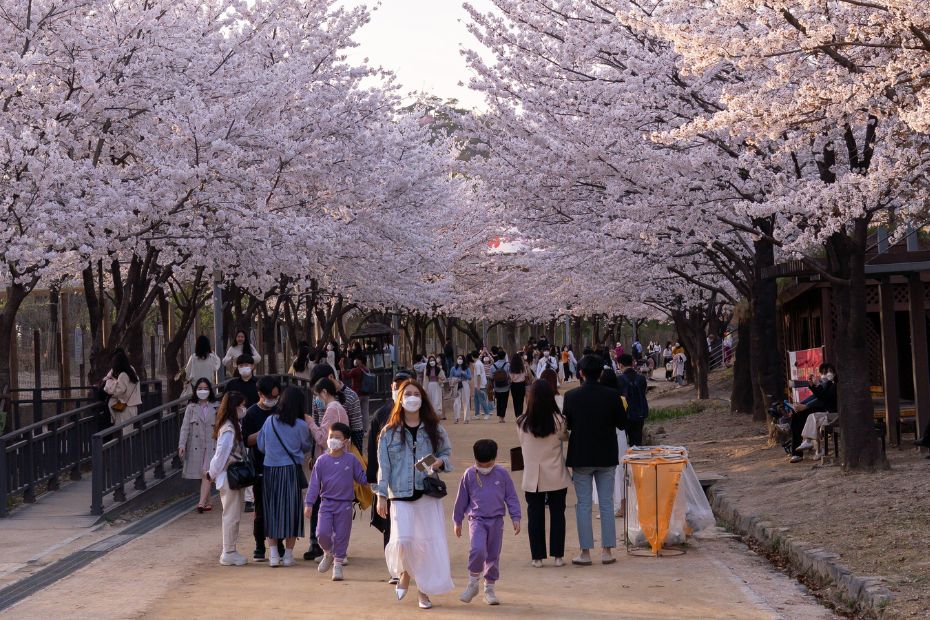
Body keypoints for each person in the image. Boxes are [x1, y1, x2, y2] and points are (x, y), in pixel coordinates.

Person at [374, 380, 454, 609]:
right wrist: (381, 495)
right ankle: (405, 573)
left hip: (426, 494)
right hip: (399, 494)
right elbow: (384, 466)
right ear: (399, 399)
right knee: (403, 540)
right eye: (406, 394)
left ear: (422, 398)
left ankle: (423, 591)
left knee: (425, 544)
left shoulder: (435, 428)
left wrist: (440, 462)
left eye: (415, 394)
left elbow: (447, 454)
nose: (411, 397)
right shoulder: (388, 433)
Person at [563, 355, 626, 566]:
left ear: (580, 372)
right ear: (600, 373)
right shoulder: (612, 396)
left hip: (581, 455)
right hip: (606, 454)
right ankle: (607, 551)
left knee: (583, 504)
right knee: (606, 503)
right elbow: (622, 423)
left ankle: (585, 552)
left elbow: (568, 424)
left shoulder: (571, 396)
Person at [453, 439, 521, 606]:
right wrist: (457, 520)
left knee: (492, 555)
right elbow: (461, 499)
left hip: (496, 520)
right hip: (477, 520)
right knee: (478, 549)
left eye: (487, 464)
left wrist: (516, 517)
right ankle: (472, 583)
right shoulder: (469, 474)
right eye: (480, 465)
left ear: (495, 459)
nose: (484, 468)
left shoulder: (502, 474)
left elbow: (511, 496)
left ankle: (489, 589)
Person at [516, 379, 571, 568]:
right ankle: (558, 556)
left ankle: (537, 557)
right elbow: (564, 437)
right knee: (558, 515)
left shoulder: (521, 422)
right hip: (556, 473)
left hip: (532, 476)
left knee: (535, 517)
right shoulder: (559, 420)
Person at [304, 422, 368, 582]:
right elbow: (314, 484)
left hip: (345, 505)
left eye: (338, 437)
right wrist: (309, 503)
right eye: (331, 436)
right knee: (322, 533)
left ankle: (338, 564)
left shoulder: (351, 459)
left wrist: (375, 479)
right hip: (326, 504)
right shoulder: (321, 461)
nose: (333, 440)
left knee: (341, 535)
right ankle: (328, 552)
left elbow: (361, 478)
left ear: (346, 441)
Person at [256, 386, 312, 567]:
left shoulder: (269, 421)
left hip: (270, 470)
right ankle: (288, 555)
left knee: (272, 509)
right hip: (290, 470)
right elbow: (305, 446)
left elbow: (261, 446)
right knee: (292, 511)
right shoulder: (301, 425)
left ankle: (273, 554)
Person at [367, 370, 414, 569]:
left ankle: (412, 564)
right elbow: (372, 448)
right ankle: (394, 567)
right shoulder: (381, 415)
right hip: (389, 480)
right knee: (389, 523)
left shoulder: (420, 415)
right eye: (397, 387)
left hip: (413, 480)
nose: (400, 392)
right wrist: (374, 479)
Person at [240, 375, 282, 560]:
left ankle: (279, 543)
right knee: (261, 509)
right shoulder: (251, 413)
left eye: (276, 396)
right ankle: (259, 545)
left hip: (280, 465)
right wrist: (265, 430)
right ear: (260, 394)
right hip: (259, 465)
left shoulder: (281, 410)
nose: (273, 400)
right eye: (270, 396)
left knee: (279, 507)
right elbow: (247, 441)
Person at [206, 391, 248, 566]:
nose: (244, 408)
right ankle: (228, 551)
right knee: (231, 514)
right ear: (235, 407)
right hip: (229, 476)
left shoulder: (232, 426)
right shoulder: (229, 429)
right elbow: (221, 455)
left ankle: (230, 549)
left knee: (233, 514)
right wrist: (211, 473)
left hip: (231, 476)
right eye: (241, 405)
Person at [179, 378, 219, 513]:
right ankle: (208, 500)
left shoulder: (216, 406)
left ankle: (201, 503)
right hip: (195, 445)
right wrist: (182, 445)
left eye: (205, 388)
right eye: (200, 388)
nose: (203, 391)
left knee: (206, 473)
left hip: (211, 444)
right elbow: (185, 428)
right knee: (201, 475)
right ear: (196, 391)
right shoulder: (191, 407)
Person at [596, 369, 629, 518]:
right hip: (620, 436)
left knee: (607, 471)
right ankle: (622, 505)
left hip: (606, 436)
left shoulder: (600, 398)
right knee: (620, 471)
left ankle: (609, 506)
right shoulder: (621, 398)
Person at [788, 364, 838, 463]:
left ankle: (809, 442)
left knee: (806, 415)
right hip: (822, 409)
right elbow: (814, 397)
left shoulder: (834, 384)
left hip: (827, 411)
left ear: (835, 373)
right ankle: (797, 453)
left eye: (829, 371)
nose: (826, 374)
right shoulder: (825, 383)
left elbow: (823, 399)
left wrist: (806, 406)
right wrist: (802, 404)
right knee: (797, 415)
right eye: (823, 372)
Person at [103, 348, 143, 434]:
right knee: (129, 432)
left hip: (125, 407)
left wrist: (110, 385)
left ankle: (126, 447)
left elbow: (118, 391)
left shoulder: (123, 375)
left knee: (125, 434)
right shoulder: (131, 371)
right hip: (133, 405)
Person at [617, 354, 649, 447]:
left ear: (620, 365)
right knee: (637, 444)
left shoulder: (619, 379)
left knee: (622, 444)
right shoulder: (642, 378)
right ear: (632, 363)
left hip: (625, 415)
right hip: (640, 414)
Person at [343, 354, 374, 432]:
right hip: (366, 393)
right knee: (365, 412)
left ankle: (357, 429)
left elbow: (346, 376)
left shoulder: (356, 370)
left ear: (360, 361)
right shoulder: (367, 370)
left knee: (356, 412)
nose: (355, 361)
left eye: (357, 359)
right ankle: (365, 430)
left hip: (357, 394)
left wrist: (341, 367)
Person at [421, 355, 446, 419]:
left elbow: (444, 379)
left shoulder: (439, 369)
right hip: (429, 386)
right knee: (430, 400)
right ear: (428, 362)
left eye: (433, 360)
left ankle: (437, 415)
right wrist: (424, 389)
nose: (432, 362)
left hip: (437, 386)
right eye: (430, 360)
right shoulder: (426, 370)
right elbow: (425, 380)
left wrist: (440, 379)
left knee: (437, 401)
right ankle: (431, 415)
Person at [449, 355, 473, 424]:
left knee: (466, 401)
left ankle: (466, 418)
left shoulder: (467, 368)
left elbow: (470, 377)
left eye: (461, 359)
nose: (460, 360)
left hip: (465, 384)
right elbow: (450, 377)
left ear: (463, 360)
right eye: (458, 358)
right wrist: (452, 384)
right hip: (456, 385)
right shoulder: (453, 368)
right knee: (456, 402)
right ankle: (456, 418)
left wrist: (464, 373)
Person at [490, 352, 511, 423]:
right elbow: (509, 375)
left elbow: (491, 377)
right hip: (506, 386)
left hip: (497, 387)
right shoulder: (508, 365)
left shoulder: (493, 366)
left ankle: (499, 417)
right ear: (504, 356)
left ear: (497, 356)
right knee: (504, 402)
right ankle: (503, 418)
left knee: (498, 402)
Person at [472, 352, 493, 420]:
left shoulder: (478, 364)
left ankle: (487, 413)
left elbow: (478, 375)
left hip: (480, 385)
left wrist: (478, 386)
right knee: (476, 400)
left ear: (472, 357)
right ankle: (477, 414)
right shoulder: (478, 363)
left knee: (482, 399)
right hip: (477, 384)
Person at [509, 352, 529, 419]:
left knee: (515, 400)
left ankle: (517, 415)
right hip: (521, 385)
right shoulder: (522, 367)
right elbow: (526, 375)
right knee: (521, 400)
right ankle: (520, 415)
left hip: (514, 385)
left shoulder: (511, 367)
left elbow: (511, 378)